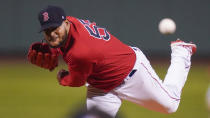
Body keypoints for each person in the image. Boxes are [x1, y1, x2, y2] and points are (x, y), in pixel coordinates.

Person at [27, 5, 197, 117]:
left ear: (65, 23)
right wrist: (55, 49)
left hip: (131, 73)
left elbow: (76, 81)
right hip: (101, 86)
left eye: (54, 28)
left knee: (170, 105)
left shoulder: (81, 52)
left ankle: (181, 52)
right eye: (46, 30)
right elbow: (64, 43)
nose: (51, 34)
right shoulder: (70, 22)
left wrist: (62, 78)